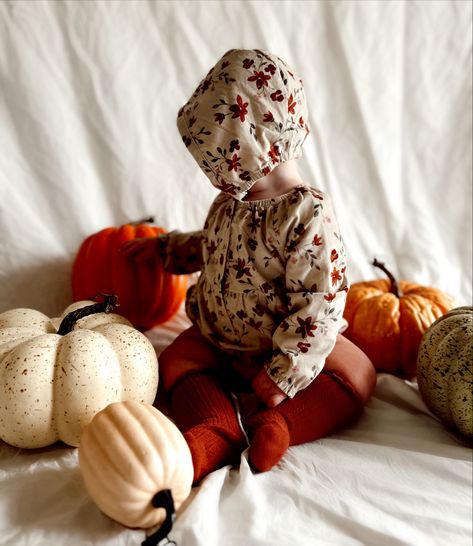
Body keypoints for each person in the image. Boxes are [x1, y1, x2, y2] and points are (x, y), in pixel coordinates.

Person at [122, 49, 376, 485]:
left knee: (359, 374)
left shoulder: (307, 214)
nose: (214, 173)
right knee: (176, 358)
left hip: (283, 343)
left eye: (219, 158)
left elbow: (321, 301)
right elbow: (216, 249)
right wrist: (168, 251)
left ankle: (281, 425)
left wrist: (286, 371)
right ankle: (213, 429)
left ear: (253, 145)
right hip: (220, 339)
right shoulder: (230, 202)